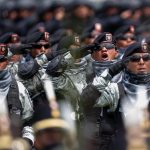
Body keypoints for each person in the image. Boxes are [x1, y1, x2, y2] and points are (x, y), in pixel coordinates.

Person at [83, 41, 150, 149]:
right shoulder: (115, 90)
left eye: (146, 58)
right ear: (126, 63)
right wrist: (110, 72)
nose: (141, 62)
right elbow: (86, 100)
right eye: (135, 58)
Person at [0, 54, 34, 146]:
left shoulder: (18, 88)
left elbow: (28, 122)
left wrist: (27, 141)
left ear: (7, 62)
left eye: (1, 61)